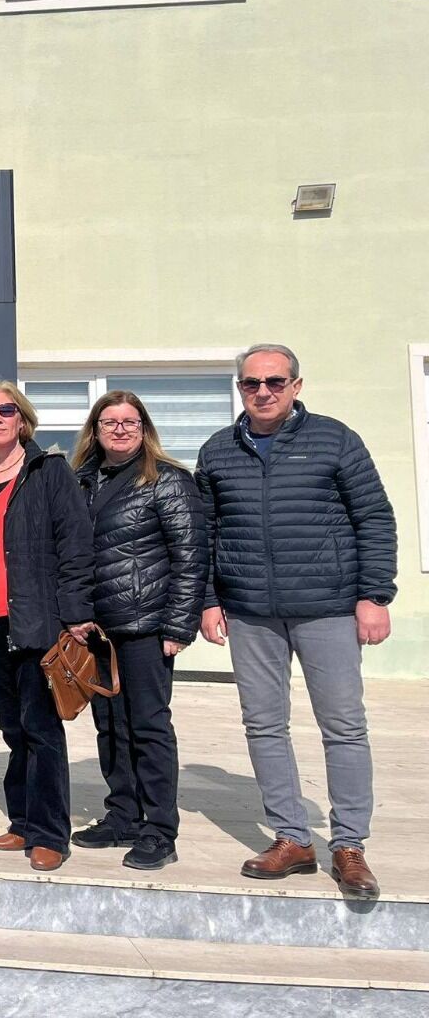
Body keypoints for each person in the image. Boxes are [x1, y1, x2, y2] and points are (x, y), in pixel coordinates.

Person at [196, 344, 396, 900]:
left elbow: (374, 517)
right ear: (240, 388)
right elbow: (205, 533)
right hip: (250, 611)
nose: (263, 391)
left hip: (327, 605)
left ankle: (349, 845)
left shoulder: (335, 439)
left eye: (275, 382)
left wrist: (374, 595)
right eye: (252, 383)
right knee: (263, 725)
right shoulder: (218, 450)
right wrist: (209, 599)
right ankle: (292, 838)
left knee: (344, 726)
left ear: (296, 386)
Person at [0, 381, 93, 872]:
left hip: (37, 622)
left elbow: (76, 545)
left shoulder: (49, 472)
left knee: (42, 728)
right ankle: (23, 821)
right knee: (13, 729)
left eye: (6, 410)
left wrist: (75, 613)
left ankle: (50, 832)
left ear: (22, 418)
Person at [69, 390, 206, 870]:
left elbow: (191, 557)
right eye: (110, 422)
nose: (120, 429)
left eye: (130, 421)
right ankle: (123, 815)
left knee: (148, 726)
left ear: (144, 428)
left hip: (146, 624)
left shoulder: (167, 480)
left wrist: (179, 625)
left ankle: (160, 830)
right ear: (95, 430)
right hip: (96, 629)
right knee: (110, 726)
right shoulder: (80, 480)